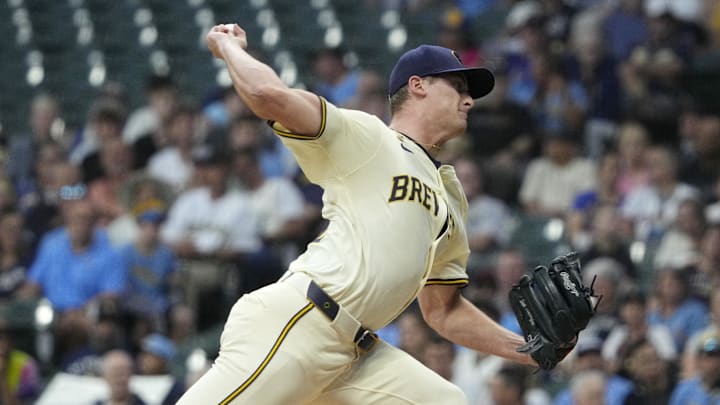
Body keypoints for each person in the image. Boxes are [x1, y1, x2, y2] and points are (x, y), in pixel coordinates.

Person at [176, 24, 536, 404]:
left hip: (356, 356)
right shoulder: (370, 137)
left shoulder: (451, 195)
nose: (469, 101)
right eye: (459, 88)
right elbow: (269, 95)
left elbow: (442, 311)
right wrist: (228, 45)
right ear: (418, 86)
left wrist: (527, 349)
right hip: (302, 322)